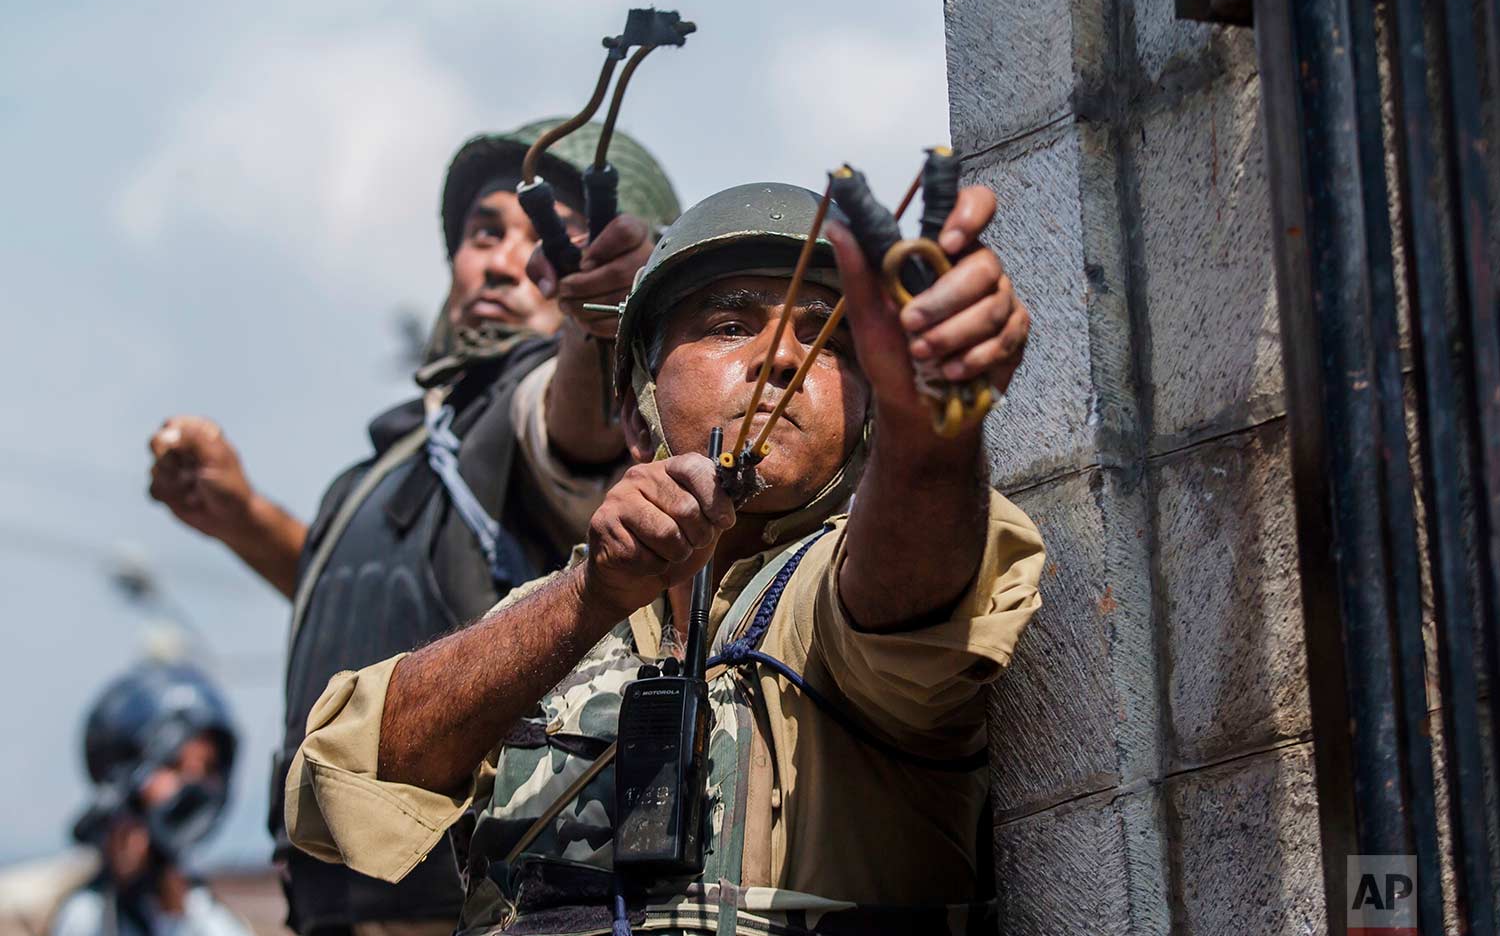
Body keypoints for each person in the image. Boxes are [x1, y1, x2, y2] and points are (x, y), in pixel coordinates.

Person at [282, 180, 1044, 935]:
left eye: (828, 340)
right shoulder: (556, 616)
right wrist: (590, 596)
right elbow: (338, 787)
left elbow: (907, 581)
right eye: (727, 324)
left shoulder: (843, 587)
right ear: (635, 412)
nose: (781, 356)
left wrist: (931, 422)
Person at [146, 120, 681, 935]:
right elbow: (394, 599)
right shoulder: (403, 449)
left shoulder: (535, 406)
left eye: (545, 242)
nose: (504, 259)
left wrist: (599, 318)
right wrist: (241, 517)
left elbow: (571, 433)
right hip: (327, 907)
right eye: (484, 231)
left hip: (467, 907)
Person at [51, 662, 249, 936]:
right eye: (174, 765)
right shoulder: (87, 917)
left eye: (207, 769)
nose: (193, 785)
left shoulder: (209, 919)